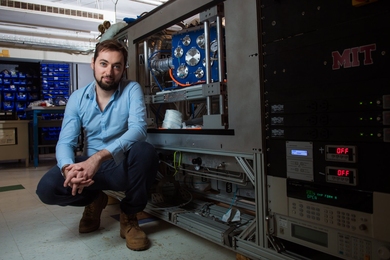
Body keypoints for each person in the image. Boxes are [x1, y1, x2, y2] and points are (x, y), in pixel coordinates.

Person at [36, 39, 159, 251]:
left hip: (118, 164)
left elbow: (139, 130)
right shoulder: (77, 98)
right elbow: (66, 141)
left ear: (123, 69)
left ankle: (129, 216)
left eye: (116, 66)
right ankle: (94, 198)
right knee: (46, 189)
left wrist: (97, 158)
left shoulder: (131, 89)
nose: (109, 72)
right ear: (92, 63)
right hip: (88, 171)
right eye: (103, 64)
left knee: (145, 151)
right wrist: (68, 168)